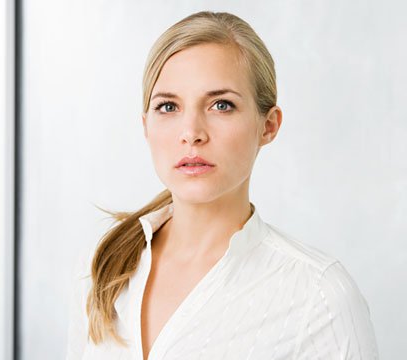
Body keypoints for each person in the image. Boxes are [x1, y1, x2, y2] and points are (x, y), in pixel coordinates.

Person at [67, 11, 378, 360]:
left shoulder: (319, 298)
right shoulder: (103, 264)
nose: (192, 133)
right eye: (168, 106)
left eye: (221, 105)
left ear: (268, 126)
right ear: (145, 126)